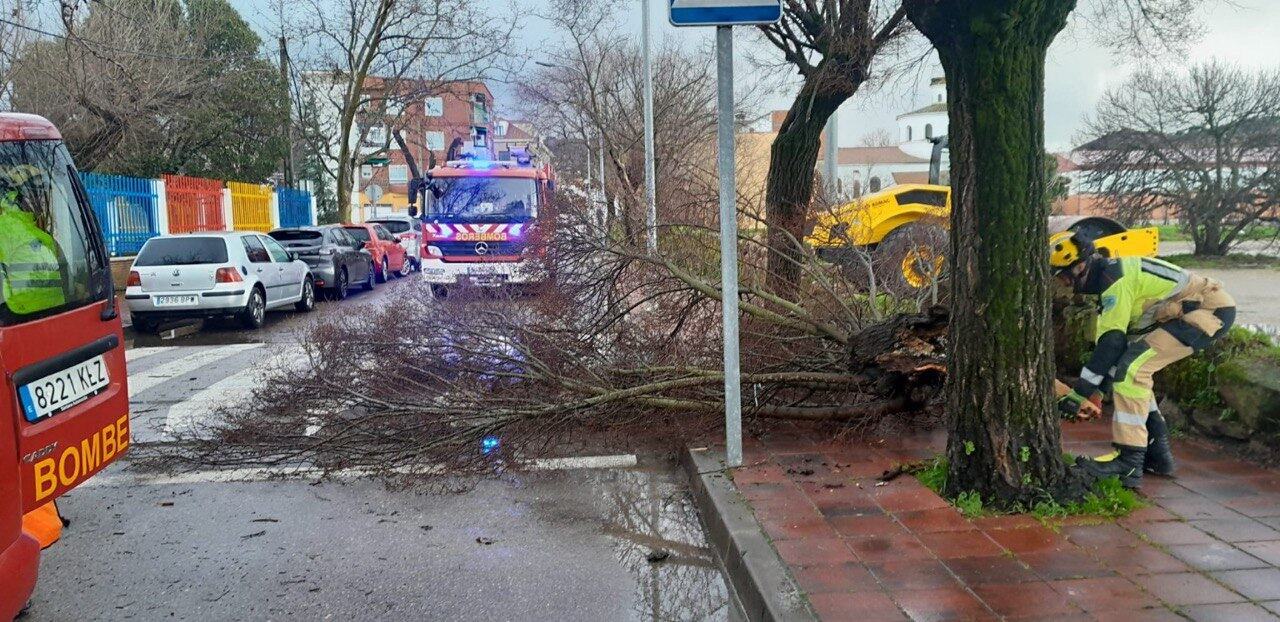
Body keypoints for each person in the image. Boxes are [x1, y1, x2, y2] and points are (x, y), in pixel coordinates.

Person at [1050, 231, 1236, 488]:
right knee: (1134, 368)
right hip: (1192, 310)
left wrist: (1079, 394)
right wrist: (1098, 392)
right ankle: (1157, 454)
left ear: (1079, 266)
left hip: (1206, 310)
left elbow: (1110, 343)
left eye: (1062, 275)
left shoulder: (1113, 281)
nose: (1063, 284)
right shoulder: (1110, 275)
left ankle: (1128, 462)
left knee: (1133, 372)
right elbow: (1117, 346)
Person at [0, 164, 66, 316]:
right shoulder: (8, 230)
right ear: (20, 197)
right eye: (39, 193)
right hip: (25, 324)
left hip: (54, 319)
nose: (45, 200)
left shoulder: (37, 233)